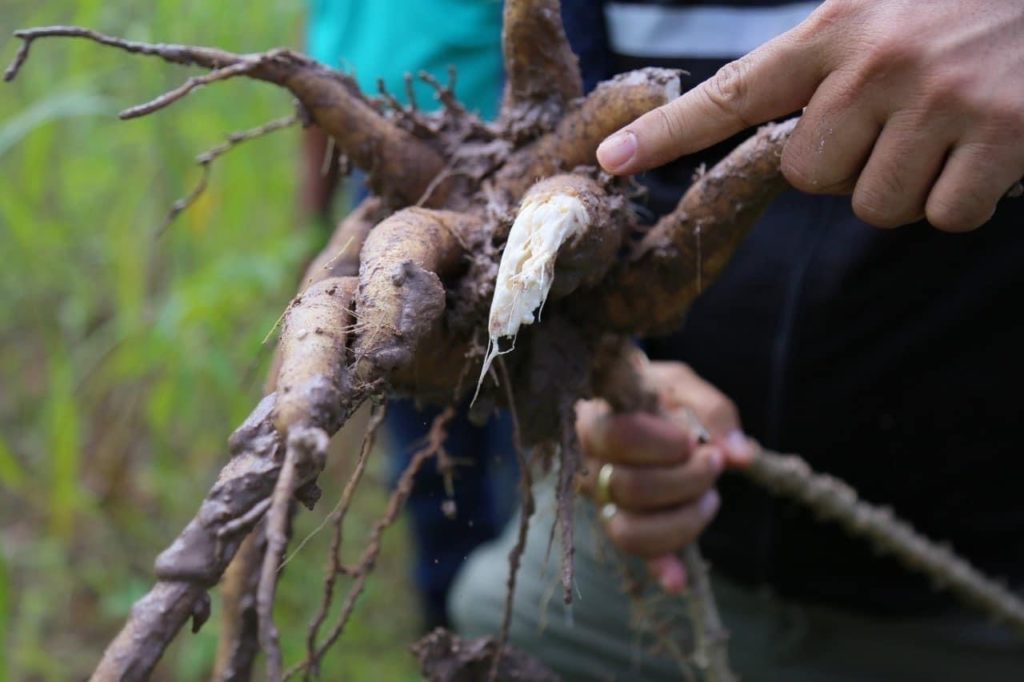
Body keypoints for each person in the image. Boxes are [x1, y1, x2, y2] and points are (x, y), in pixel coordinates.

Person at [450, 1, 1024, 679]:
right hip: (664, 570)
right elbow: (583, 210)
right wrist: (611, 389)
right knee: (489, 612)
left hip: (976, 594)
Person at [302, 0, 518, 630]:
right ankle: (446, 622)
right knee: (410, 401)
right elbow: (317, 64)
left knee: (508, 404)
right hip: (376, 180)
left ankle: (512, 618)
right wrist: (313, 215)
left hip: (495, 174)